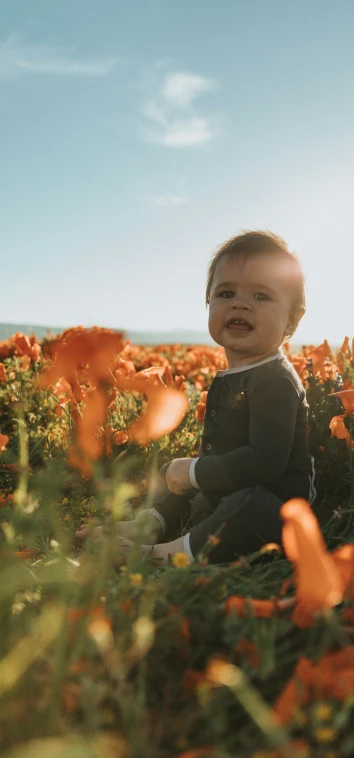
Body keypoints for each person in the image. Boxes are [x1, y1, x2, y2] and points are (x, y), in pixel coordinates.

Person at [76, 230, 316, 565]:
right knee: (178, 476)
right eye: (226, 292)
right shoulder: (233, 375)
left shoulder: (275, 380)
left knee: (250, 503)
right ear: (208, 304)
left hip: (273, 510)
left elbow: (266, 462)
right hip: (228, 490)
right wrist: (192, 473)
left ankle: (163, 555)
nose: (240, 303)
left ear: (292, 320)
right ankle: (151, 524)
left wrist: (195, 472)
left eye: (261, 296)